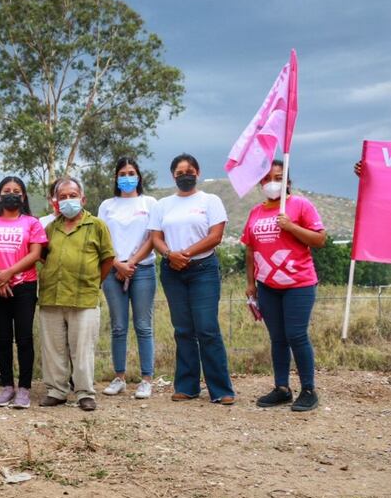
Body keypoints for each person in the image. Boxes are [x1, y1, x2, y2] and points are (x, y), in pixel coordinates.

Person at [149, 154, 236, 405]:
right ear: (173, 176)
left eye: (189, 171)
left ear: (197, 173)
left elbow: (216, 235)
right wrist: (169, 254)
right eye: (178, 172)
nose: (184, 175)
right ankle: (187, 386)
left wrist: (185, 254)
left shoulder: (211, 200)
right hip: (172, 270)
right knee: (183, 329)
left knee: (207, 328)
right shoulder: (162, 204)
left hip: (203, 269)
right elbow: (155, 237)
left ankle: (221, 389)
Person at [242, 160, 326, 411]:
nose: (272, 183)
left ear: (288, 180)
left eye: (278, 177)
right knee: (277, 338)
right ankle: (282, 388)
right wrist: (251, 283)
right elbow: (250, 248)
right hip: (267, 285)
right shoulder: (256, 212)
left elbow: (320, 239)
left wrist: (291, 226)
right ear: (260, 182)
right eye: (267, 178)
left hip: (298, 283)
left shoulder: (300, 205)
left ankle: (308, 390)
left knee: (296, 335)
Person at [38, 178, 115, 411]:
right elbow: (41, 256)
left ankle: (84, 393)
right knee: (53, 348)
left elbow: (108, 258)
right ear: (56, 202)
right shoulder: (51, 228)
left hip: (84, 298)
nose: (68, 200)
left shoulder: (97, 225)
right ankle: (57, 390)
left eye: (72, 195)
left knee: (82, 349)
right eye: (63, 197)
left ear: (83, 199)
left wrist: (93, 282)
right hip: (52, 295)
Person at [0, 176, 47, 409]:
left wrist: (9, 273)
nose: (11, 194)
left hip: (24, 286)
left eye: (16, 191)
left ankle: (24, 388)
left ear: (23, 196)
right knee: (2, 339)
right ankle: (7, 386)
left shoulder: (32, 223)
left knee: (24, 338)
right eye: (6, 190)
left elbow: (35, 254)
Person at [97, 158, 159, 399]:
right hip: (112, 270)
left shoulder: (149, 203)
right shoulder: (107, 205)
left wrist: (131, 263)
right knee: (119, 326)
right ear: (116, 178)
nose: (127, 176)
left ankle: (146, 379)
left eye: (131, 172)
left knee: (143, 326)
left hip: (142, 270)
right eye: (122, 173)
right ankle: (119, 377)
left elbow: (153, 237)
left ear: (139, 176)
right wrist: (118, 265)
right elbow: (101, 240)